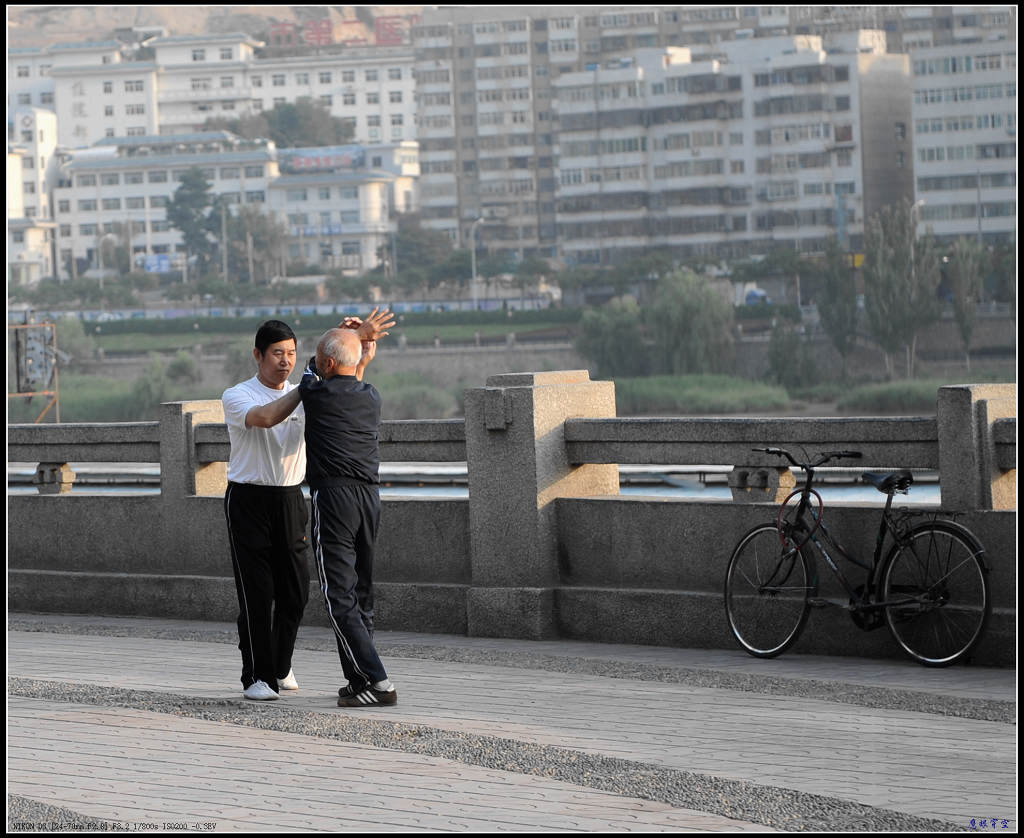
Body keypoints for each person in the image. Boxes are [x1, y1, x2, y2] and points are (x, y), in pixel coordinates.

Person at [222, 311, 394, 701]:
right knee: (256, 592)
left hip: (290, 498)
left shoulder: (311, 392)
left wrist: (356, 352)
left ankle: (280, 666)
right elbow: (265, 418)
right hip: (248, 498)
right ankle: (256, 676)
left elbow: (347, 394)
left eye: (292, 353)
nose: (286, 360)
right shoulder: (239, 395)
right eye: (277, 353)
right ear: (258, 355)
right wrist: (306, 387)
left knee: (297, 593)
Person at [299, 328, 396, 707]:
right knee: (361, 594)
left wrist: (347, 340)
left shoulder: (316, 393)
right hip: (369, 497)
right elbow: (346, 373)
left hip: (334, 498)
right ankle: (358, 678)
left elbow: (311, 370)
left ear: (327, 363)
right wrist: (356, 345)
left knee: (338, 593)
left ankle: (377, 681)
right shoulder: (370, 397)